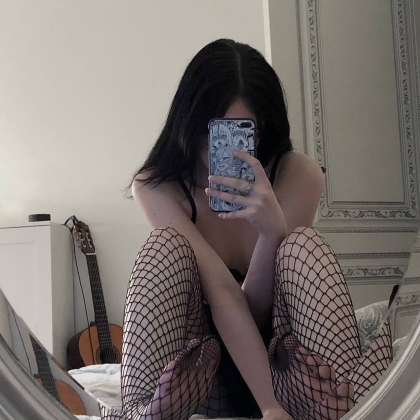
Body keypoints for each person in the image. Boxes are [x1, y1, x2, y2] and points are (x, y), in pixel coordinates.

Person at [102, 39, 393, 420]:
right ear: (187, 122)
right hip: (199, 377)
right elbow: (223, 293)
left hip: (289, 368)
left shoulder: (296, 174)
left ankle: (342, 406)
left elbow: (257, 313)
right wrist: (269, 405)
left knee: (302, 244)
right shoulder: (159, 187)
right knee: (164, 247)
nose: (215, 148)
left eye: (236, 132)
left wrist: (272, 234)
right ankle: (142, 411)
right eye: (207, 128)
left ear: (261, 130)